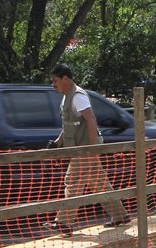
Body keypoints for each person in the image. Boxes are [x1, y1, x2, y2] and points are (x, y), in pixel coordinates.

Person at [48, 65, 128, 231]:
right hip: (81, 148)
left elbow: (90, 119)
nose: (53, 85)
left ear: (65, 78)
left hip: (85, 149)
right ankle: (120, 216)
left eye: (55, 81)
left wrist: (91, 148)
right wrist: (58, 142)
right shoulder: (67, 97)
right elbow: (70, 125)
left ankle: (63, 223)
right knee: (100, 184)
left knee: (72, 182)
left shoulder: (77, 96)